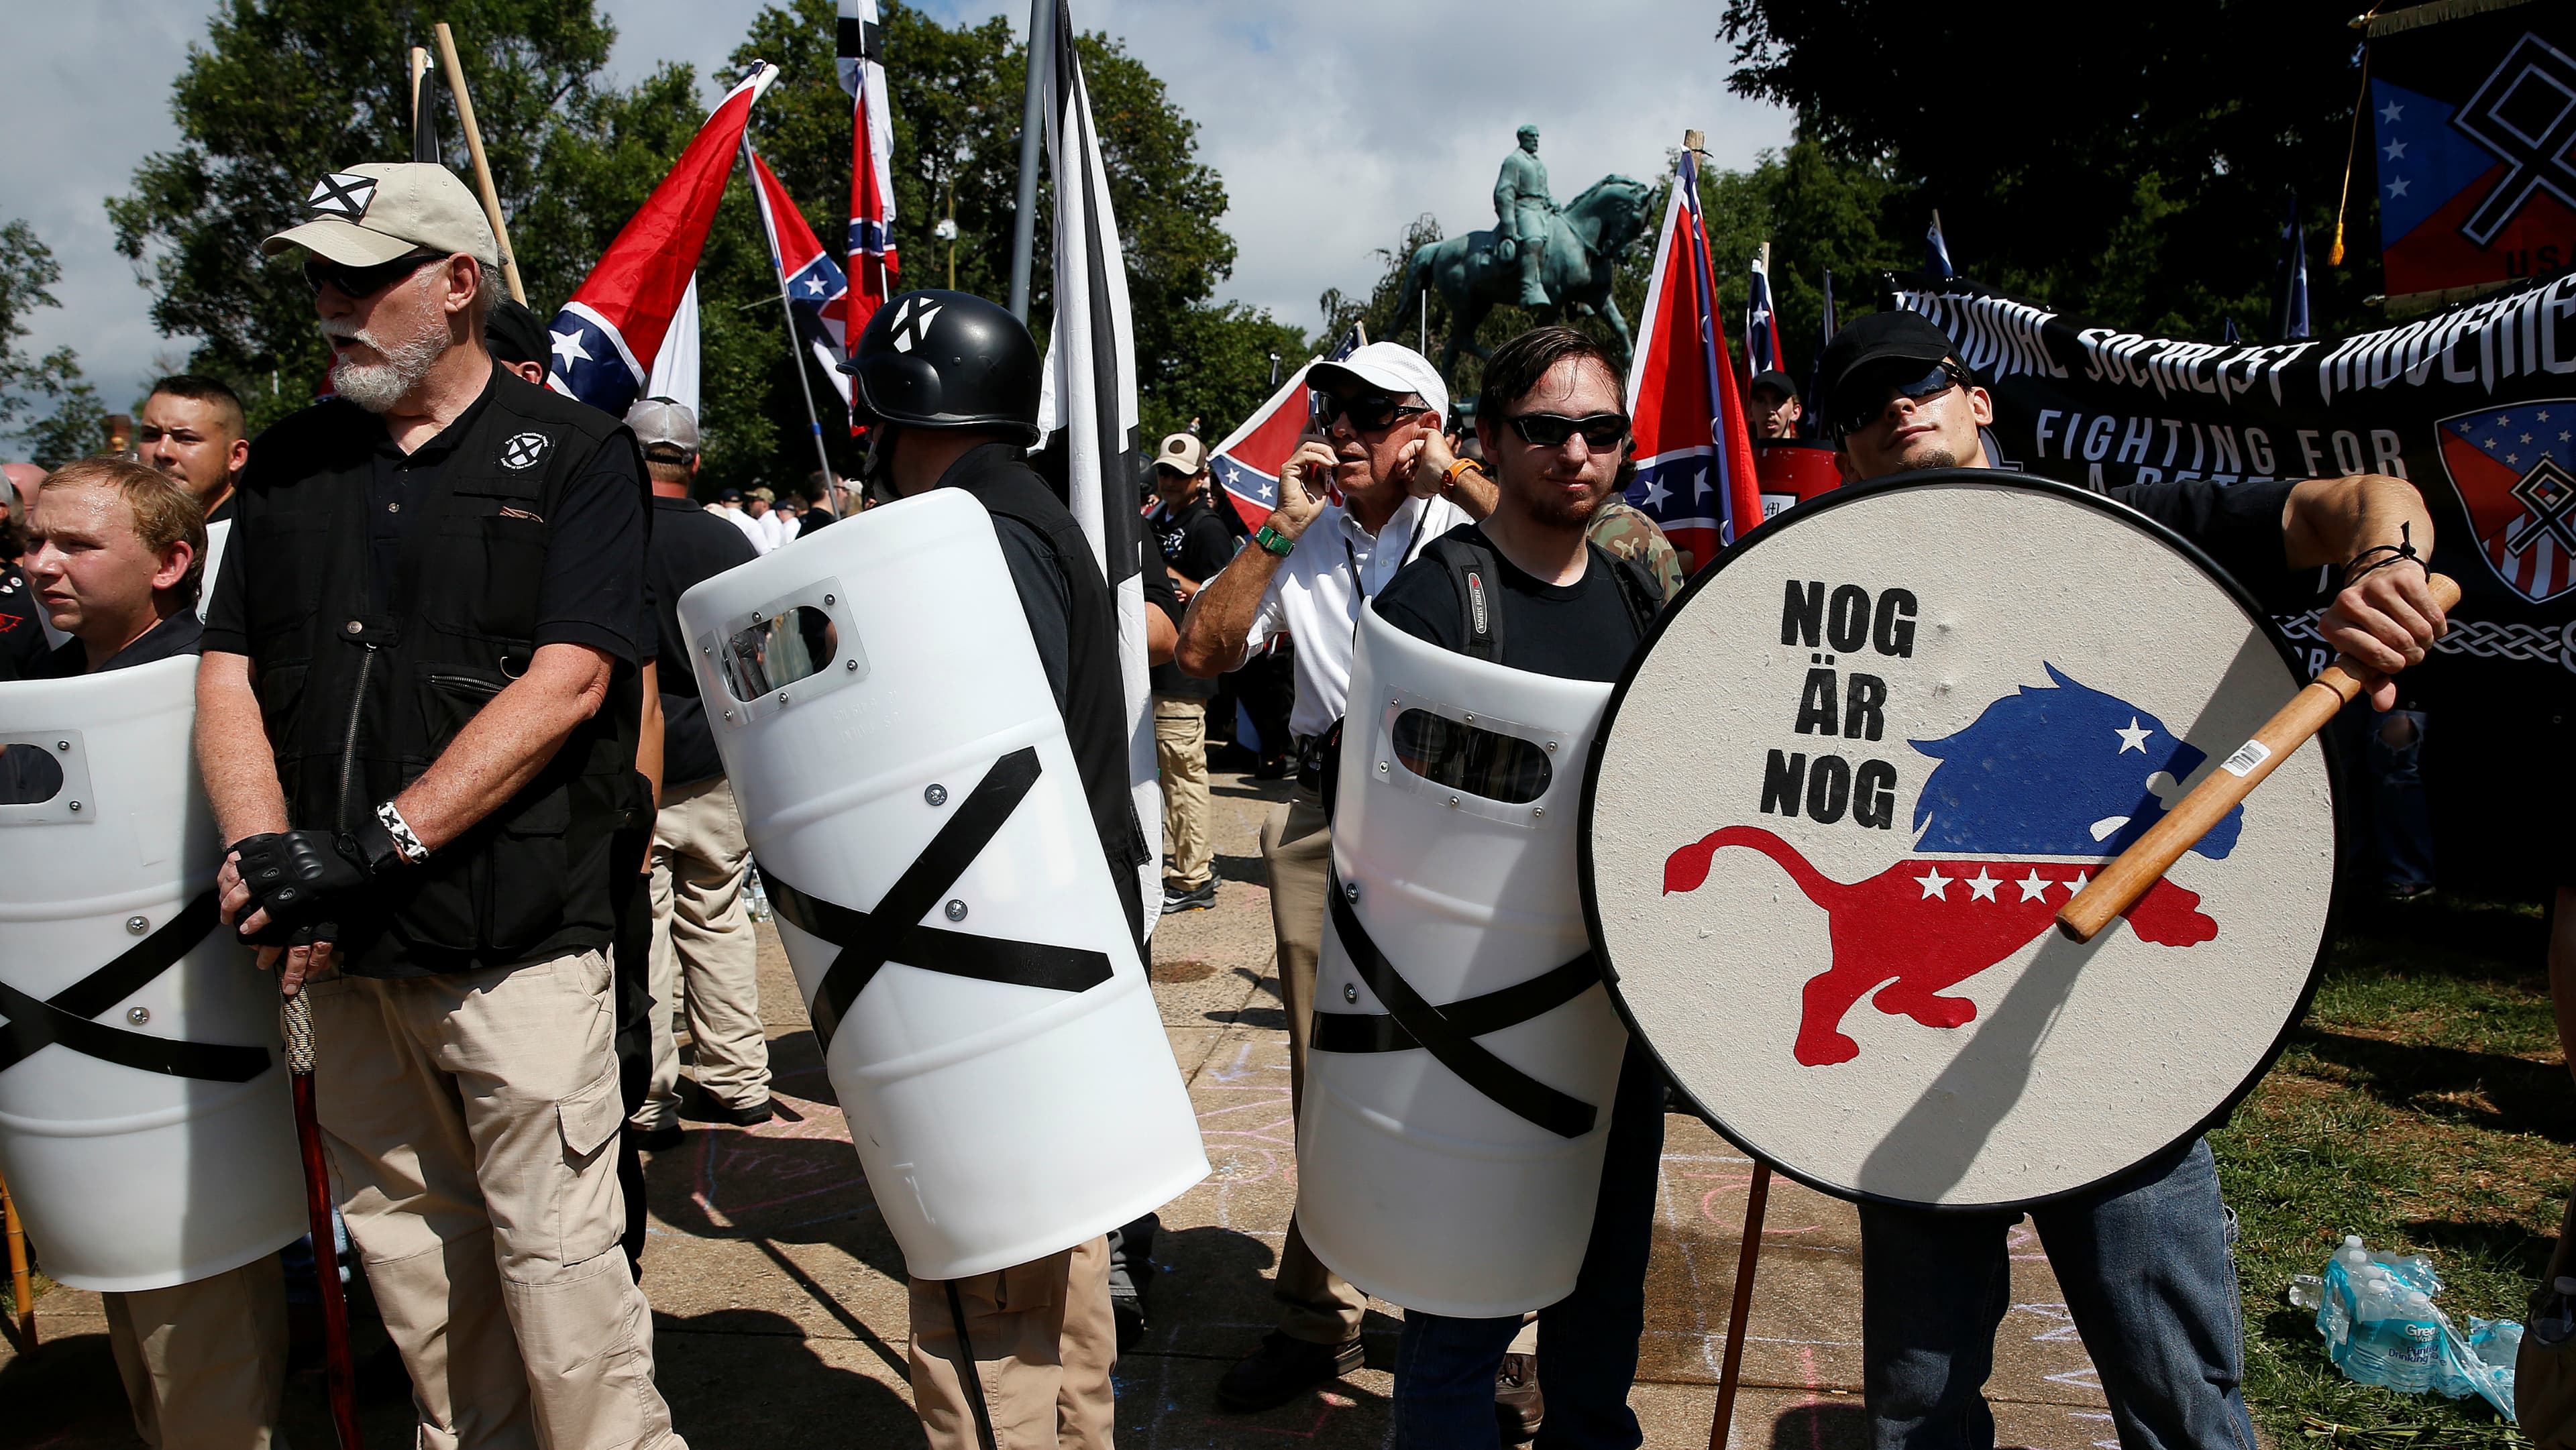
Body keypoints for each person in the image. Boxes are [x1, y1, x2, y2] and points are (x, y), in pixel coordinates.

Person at [1816, 309, 2444, 1450]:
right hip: (1926, 1048)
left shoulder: (2120, 528)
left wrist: (2389, 567)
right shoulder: (1828, 591)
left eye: (1917, 381)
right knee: (1918, 1410)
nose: (1895, 407)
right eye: (1862, 404)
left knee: (2183, 1404)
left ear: (1978, 398)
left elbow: (2363, 500)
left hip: (2116, 1041)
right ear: (1844, 451)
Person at [195, 160, 680, 1449]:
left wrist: (372, 844)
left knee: (563, 1283)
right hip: (347, 960)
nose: (329, 306)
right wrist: (265, 856)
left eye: (362, 279)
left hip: (514, 948)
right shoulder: (291, 464)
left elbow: (571, 682)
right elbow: (232, 670)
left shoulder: (576, 455)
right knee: (418, 1283)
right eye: (317, 280)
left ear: (459, 283)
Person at [839, 288, 1154, 1450]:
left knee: (985, 1292)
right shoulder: (1018, 511)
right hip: (1042, 943)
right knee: (1052, 1279)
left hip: (1001, 958)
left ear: (903, 410)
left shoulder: (972, 532)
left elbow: (983, 770)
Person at [1173, 340, 1498, 1411]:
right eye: (1333, 406)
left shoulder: (1467, 519)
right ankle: (1320, 1315)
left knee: (1461, 1075)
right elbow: (1205, 652)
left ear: (1428, 424)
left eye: (1374, 410)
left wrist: (1447, 474)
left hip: (1457, 819)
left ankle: (1470, 1326)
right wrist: (1279, 526)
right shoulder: (1299, 535)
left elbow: (1561, 549)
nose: (1344, 428)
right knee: (1330, 1078)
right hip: (1329, 811)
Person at [1374, 327, 1671, 1449]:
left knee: (1603, 1314)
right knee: (1461, 1323)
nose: (1576, 452)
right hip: (1482, 1026)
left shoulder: (1639, 595)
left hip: (1615, 1018)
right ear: (1490, 439)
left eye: (1602, 430)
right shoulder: (1435, 604)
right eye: (1546, 429)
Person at [9, 458, 290, 1449]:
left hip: (197, 1070)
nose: (43, 563)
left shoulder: (215, 684)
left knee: (205, 1347)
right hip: (76, 1089)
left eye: (76, 544)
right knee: (139, 1327)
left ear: (173, 561)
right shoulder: (31, 689)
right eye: (35, 540)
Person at [625, 396, 770, 1146]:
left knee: (643, 935)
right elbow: (763, 661)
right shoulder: (729, 541)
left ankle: (650, 1098)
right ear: (696, 461)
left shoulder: (609, 532)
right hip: (716, 762)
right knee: (717, 918)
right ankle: (738, 1075)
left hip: (636, 766)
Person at [1148, 431, 1236, 913]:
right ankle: (1194, 860)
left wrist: (1171, 580)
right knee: (1172, 774)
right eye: (1164, 472)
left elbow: (1227, 597)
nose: (1169, 481)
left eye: (1180, 475)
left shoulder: (1207, 526)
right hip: (1159, 669)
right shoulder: (1159, 519)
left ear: (1202, 477)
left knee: (1183, 775)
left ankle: (1193, 876)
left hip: (1184, 672)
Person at [139, 374, 251, 521]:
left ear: (236, 456)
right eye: (151, 435)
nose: (162, 451)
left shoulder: (257, 539)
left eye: (186, 438)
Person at [1494, 124, 1555, 307]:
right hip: (1524, 208)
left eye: (1537, 136)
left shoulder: (1539, 164)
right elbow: (1504, 192)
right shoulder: (1514, 161)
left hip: (1542, 209)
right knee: (1533, 240)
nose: (1536, 140)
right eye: (1532, 136)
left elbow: (1544, 191)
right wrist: (1508, 221)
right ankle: (1528, 288)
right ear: (1522, 138)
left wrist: (1551, 200)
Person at [1746, 368, 1803, 440]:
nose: (1770, 410)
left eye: (1778, 401)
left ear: (1795, 412)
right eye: (1761, 401)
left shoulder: (1812, 451)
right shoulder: (1737, 451)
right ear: (1750, 412)